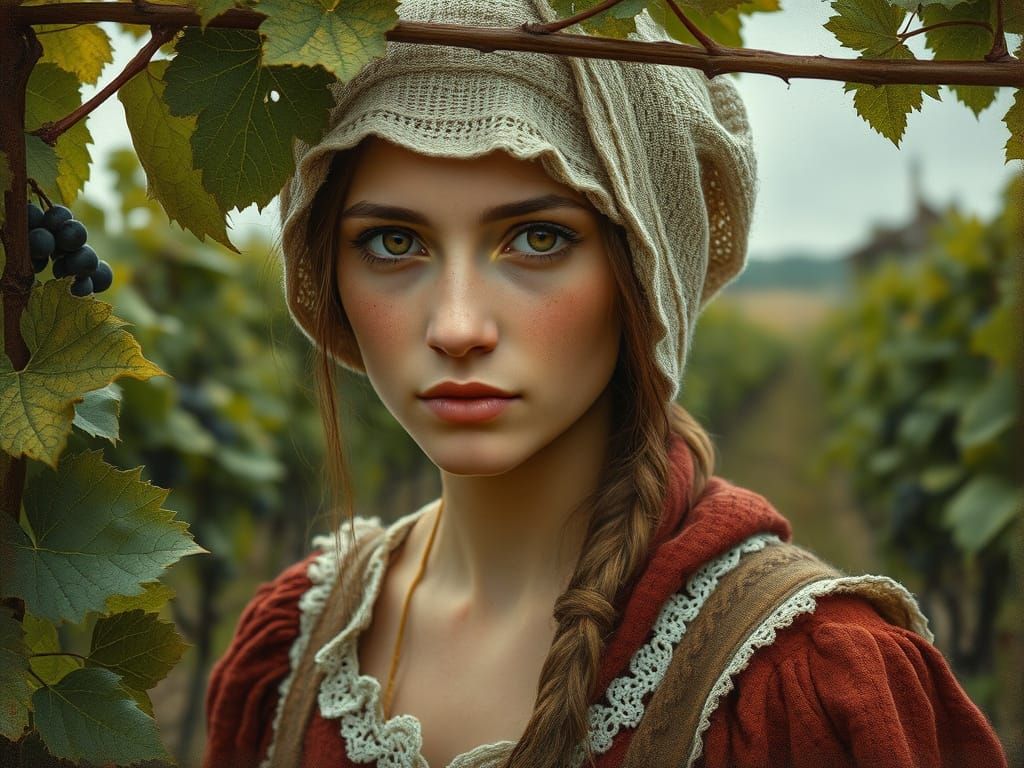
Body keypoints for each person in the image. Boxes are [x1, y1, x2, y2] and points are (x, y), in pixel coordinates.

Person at [202, 1, 1008, 766]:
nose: (455, 326)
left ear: (646, 274)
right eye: (390, 242)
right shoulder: (292, 650)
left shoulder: (805, 686)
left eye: (539, 237)